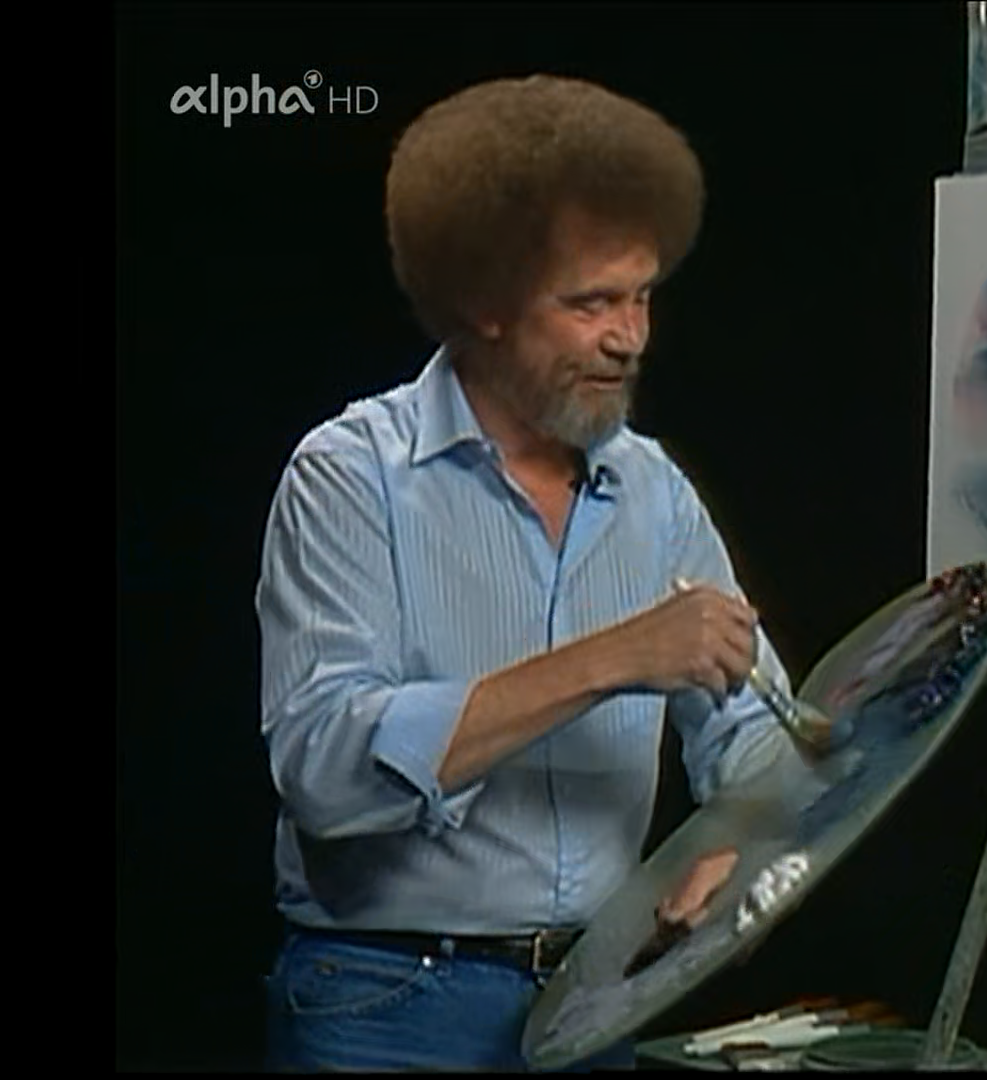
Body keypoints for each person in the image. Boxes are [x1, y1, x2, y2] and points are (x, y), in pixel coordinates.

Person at [255, 74, 795, 1072]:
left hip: (598, 1000)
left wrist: (740, 840)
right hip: (385, 1006)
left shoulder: (657, 493)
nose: (630, 338)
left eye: (642, 296)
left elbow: (760, 726)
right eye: (591, 303)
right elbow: (326, 770)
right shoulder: (349, 476)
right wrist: (613, 659)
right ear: (484, 300)